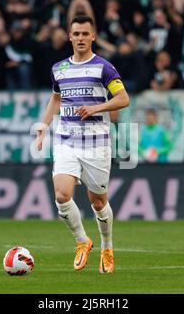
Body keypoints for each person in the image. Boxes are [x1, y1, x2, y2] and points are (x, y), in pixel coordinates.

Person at [36, 15, 129, 274]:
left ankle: (107, 246)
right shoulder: (59, 69)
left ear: (93, 36)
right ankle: (82, 241)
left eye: (84, 34)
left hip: (96, 145)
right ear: (69, 36)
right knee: (61, 195)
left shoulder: (104, 68)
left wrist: (97, 107)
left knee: (98, 202)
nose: (80, 38)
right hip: (67, 141)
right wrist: (43, 126)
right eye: (75, 34)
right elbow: (56, 98)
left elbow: (123, 99)